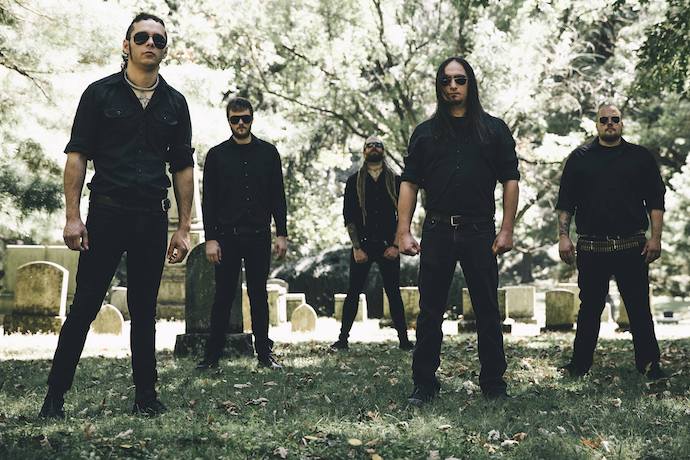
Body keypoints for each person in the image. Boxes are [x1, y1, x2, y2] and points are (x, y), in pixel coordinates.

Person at [39, 13, 194, 418]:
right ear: (126, 45)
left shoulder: (175, 103)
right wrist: (73, 217)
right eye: (142, 37)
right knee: (85, 306)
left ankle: (146, 398)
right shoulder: (99, 94)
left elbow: (182, 168)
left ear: (165, 50)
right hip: (106, 214)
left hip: (151, 218)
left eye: (158, 40)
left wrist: (183, 228)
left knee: (144, 311)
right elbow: (77, 156)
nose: (150, 44)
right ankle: (54, 399)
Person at [397, 57, 520, 405]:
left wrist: (507, 229)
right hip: (437, 230)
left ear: (470, 84)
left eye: (460, 80)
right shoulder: (425, 133)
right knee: (430, 310)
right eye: (446, 80)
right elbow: (409, 183)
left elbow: (511, 179)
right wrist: (403, 231)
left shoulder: (494, 130)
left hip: (480, 231)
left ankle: (494, 384)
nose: (453, 86)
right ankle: (424, 384)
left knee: (487, 309)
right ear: (439, 86)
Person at [556, 103, 666, 380]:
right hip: (592, 248)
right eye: (604, 119)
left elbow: (656, 201)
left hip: (632, 247)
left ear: (621, 123)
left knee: (639, 308)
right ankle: (579, 365)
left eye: (614, 119)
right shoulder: (579, 158)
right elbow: (566, 202)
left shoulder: (640, 157)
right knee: (589, 309)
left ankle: (650, 365)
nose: (609, 124)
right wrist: (563, 236)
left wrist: (656, 238)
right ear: (596, 124)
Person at [196, 97, 287, 371]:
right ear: (228, 121)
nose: (240, 124)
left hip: (259, 235)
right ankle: (212, 357)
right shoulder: (216, 156)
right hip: (227, 237)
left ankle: (264, 355)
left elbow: (278, 196)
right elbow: (209, 201)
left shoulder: (269, 153)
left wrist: (281, 234)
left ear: (252, 119)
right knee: (223, 296)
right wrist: (210, 239)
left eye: (245, 118)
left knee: (259, 296)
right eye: (235, 119)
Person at [330, 136, 414, 351]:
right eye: (370, 145)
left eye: (378, 145)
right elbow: (349, 216)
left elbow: (403, 215)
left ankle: (404, 341)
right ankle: (342, 340)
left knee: (393, 293)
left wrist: (395, 245)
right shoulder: (353, 181)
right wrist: (357, 248)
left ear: (383, 151)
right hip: (363, 246)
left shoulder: (396, 180)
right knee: (353, 292)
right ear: (364, 151)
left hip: (389, 244)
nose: (374, 148)